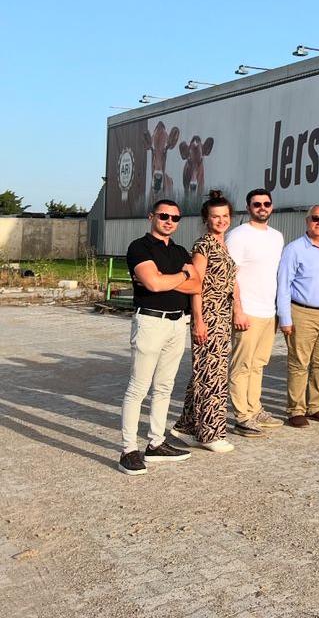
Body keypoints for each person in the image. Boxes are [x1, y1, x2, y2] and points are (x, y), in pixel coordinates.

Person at [118, 199, 201, 475]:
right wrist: (181, 275)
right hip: (151, 322)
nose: (169, 221)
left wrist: (167, 278)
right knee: (138, 388)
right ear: (151, 216)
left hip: (178, 323)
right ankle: (129, 450)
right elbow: (153, 284)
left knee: (164, 387)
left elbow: (197, 284)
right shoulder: (139, 247)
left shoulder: (179, 250)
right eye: (164, 216)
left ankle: (156, 443)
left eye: (175, 218)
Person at [172, 191, 237, 453]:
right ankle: (210, 434)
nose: (221, 221)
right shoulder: (204, 246)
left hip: (223, 315)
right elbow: (195, 285)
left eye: (225, 216)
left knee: (206, 371)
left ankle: (186, 427)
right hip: (209, 315)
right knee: (212, 375)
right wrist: (198, 320)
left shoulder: (224, 245)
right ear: (206, 219)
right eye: (215, 216)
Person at [225, 188, 285, 438]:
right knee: (242, 365)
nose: (262, 207)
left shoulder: (277, 237)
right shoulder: (238, 236)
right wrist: (238, 310)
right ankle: (242, 417)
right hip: (247, 311)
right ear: (249, 207)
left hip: (268, 311)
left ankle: (254, 408)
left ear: (272, 206)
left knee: (258, 364)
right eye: (257, 204)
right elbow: (229, 276)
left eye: (266, 203)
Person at [277, 205, 319, 428]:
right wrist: (285, 318)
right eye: (316, 218)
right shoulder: (294, 249)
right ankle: (296, 409)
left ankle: (315, 405)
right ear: (307, 221)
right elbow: (283, 285)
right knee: (299, 362)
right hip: (302, 312)